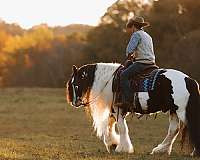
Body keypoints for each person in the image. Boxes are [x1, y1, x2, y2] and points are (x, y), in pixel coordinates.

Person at [119, 16, 156, 107]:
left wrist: (129, 57)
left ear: (134, 26)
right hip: (151, 63)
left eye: (131, 27)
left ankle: (129, 101)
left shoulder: (136, 34)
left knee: (123, 76)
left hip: (142, 63)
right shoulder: (148, 36)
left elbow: (129, 50)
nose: (130, 30)